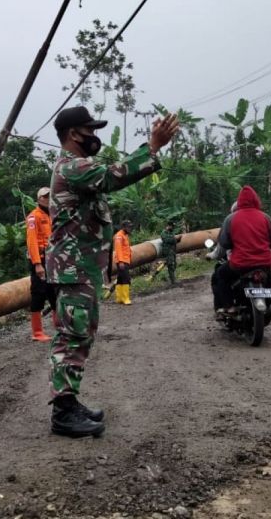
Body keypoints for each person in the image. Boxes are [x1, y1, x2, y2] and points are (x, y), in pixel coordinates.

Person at [45, 105, 179, 438]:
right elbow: (113, 175)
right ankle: (63, 414)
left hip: (81, 269)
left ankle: (69, 402)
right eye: (91, 130)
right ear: (75, 134)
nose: (95, 136)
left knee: (81, 334)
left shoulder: (77, 168)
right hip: (73, 269)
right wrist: (152, 147)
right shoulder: (73, 166)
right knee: (72, 335)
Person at [212, 186, 271, 315]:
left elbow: (225, 243)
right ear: (256, 200)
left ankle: (229, 306)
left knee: (220, 274)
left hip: (240, 264)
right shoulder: (265, 217)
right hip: (264, 262)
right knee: (268, 276)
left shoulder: (231, 219)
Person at [26, 186, 55, 342]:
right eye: (45, 196)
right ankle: (37, 332)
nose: (48, 198)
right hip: (40, 259)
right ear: (39, 199)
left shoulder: (52, 215)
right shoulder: (34, 217)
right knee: (38, 293)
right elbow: (32, 243)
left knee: (54, 292)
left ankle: (60, 327)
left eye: (50, 196)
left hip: (52, 259)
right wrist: (37, 264)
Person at [112, 220, 133, 305]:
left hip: (125, 260)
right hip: (122, 261)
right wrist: (121, 261)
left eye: (130, 227)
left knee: (120, 279)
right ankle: (125, 298)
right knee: (126, 279)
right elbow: (118, 249)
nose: (130, 228)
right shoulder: (119, 236)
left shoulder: (125, 235)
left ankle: (119, 298)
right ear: (124, 227)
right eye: (128, 227)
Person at [160, 220, 181, 286]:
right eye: (172, 226)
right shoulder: (164, 233)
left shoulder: (171, 232)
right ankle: (173, 281)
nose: (173, 228)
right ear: (168, 226)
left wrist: (178, 240)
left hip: (172, 251)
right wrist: (175, 239)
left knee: (174, 265)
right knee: (170, 265)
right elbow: (166, 240)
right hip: (168, 252)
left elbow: (173, 240)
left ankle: (172, 278)